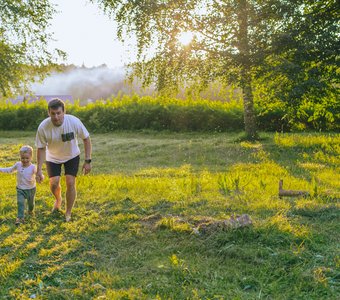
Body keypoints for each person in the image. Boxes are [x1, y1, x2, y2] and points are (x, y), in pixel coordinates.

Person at [35, 98, 92, 222]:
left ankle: (68, 212)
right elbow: (41, 148)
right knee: (54, 183)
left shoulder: (74, 121)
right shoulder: (43, 127)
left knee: (70, 182)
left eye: (58, 113)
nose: (56, 117)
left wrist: (87, 161)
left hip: (71, 156)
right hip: (52, 157)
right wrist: (39, 170)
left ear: (64, 112)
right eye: (53, 113)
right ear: (48, 113)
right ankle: (58, 199)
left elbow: (86, 139)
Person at [0, 145, 37, 225]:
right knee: (20, 202)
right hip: (20, 189)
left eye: (27, 158)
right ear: (20, 157)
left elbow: (38, 174)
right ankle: (20, 218)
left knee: (31, 204)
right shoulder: (18, 164)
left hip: (31, 189)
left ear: (31, 157)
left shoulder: (33, 167)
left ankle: (30, 211)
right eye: (22, 158)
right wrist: (0, 169)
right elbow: (9, 170)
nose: (24, 160)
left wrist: (40, 177)